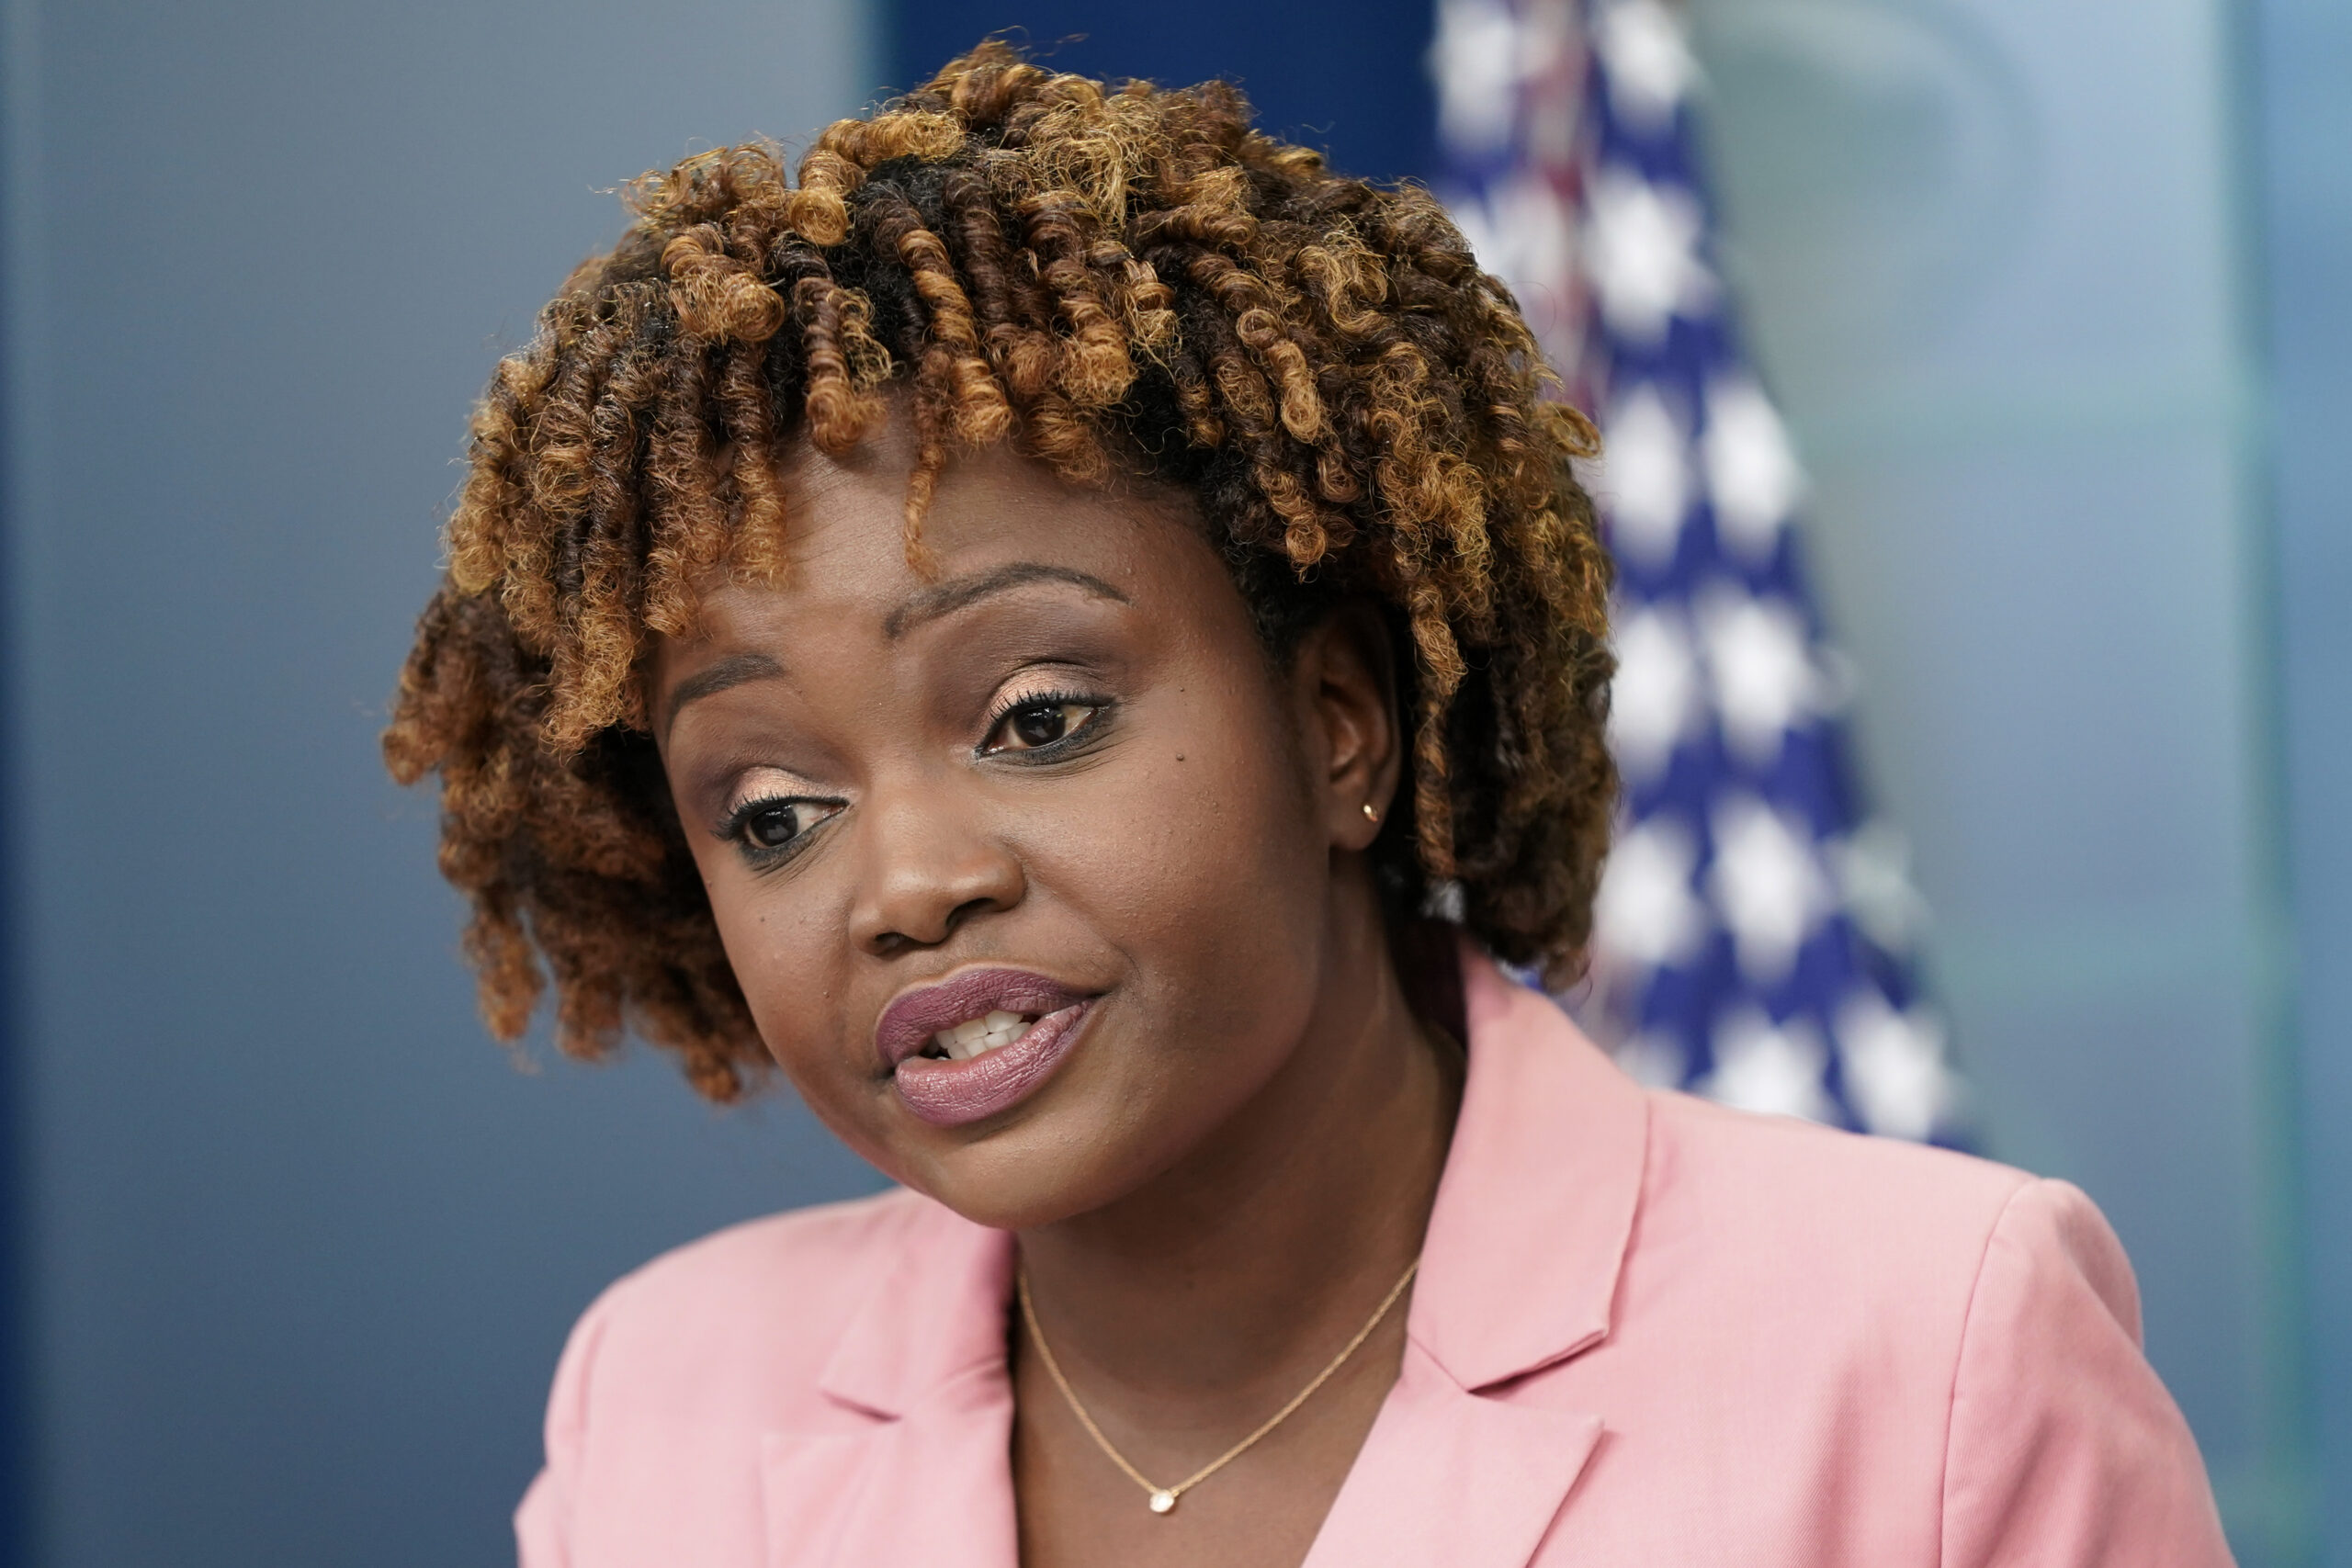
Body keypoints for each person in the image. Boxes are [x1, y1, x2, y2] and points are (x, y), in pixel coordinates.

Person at [383, 41, 2234, 1568]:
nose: (908, 884)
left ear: (1338, 722)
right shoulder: (667, 1406)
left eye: (1036, 717)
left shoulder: (1928, 1355)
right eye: (775, 811)